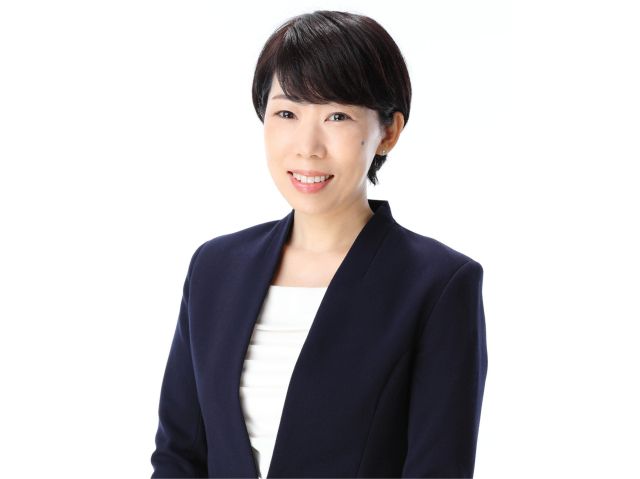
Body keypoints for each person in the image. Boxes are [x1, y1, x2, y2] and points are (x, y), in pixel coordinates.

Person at [150, 10, 488, 479]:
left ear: (388, 132)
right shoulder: (215, 268)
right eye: (286, 113)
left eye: (337, 116)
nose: (307, 146)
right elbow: (179, 457)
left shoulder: (438, 284)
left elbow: (438, 470)